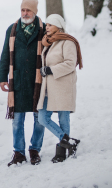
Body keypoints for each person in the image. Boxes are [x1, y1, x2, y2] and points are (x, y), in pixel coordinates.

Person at [0, 0, 45, 166]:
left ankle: (35, 150)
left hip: (38, 82)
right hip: (17, 81)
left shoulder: (44, 29)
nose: (25, 13)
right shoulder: (12, 29)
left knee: (39, 119)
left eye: (28, 10)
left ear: (35, 12)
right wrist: (2, 77)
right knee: (17, 121)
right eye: (23, 10)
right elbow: (5, 54)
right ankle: (18, 152)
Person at [36, 14, 83, 163]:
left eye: (50, 25)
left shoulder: (67, 42)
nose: (46, 27)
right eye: (46, 25)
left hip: (63, 86)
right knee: (43, 118)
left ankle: (61, 153)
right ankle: (68, 140)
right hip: (48, 87)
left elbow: (70, 63)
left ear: (58, 26)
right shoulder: (48, 42)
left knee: (64, 118)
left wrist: (50, 70)